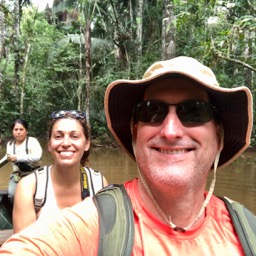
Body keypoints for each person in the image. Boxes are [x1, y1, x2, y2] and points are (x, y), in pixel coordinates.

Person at [0, 56, 253, 255]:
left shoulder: (247, 230)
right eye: (152, 112)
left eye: (194, 112)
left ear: (218, 136)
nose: (171, 131)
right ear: (135, 133)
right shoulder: (100, 220)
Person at [12, 110, 108, 233]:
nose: (66, 143)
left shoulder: (98, 183)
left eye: (74, 136)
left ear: (86, 144)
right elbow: (23, 249)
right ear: (49, 144)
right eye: (58, 136)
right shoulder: (29, 186)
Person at [3, 119, 42, 204]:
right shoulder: (10, 144)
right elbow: (7, 158)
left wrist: (17, 157)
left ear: (26, 131)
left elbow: (37, 157)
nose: (18, 132)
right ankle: (16, 212)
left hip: (33, 173)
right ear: (12, 131)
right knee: (12, 194)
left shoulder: (32, 141)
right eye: (16, 129)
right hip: (18, 175)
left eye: (21, 129)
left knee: (37, 194)